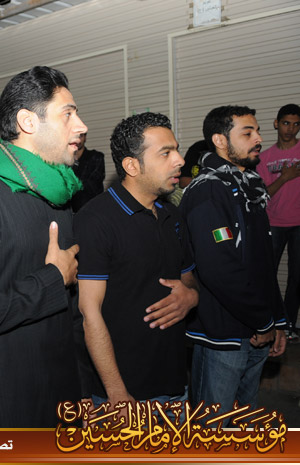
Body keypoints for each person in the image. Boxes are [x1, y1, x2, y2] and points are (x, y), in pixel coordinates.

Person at [0, 65, 85, 427]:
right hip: (4, 397)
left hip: (58, 387)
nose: (81, 126)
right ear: (28, 122)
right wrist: (52, 279)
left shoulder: (59, 193)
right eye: (68, 114)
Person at [74, 113, 198, 414]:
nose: (180, 160)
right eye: (166, 153)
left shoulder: (172, 214)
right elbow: (89, 313)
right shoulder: (96, 220)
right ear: (132, 165)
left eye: (176, 149)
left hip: (175, 384)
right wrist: (116, 392)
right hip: (123, 394)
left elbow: (188, 277)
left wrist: (191, 296)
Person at [179, 105, 287, 426]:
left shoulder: (249, 186)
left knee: (244, 421)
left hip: (256, 327)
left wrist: (277, 320)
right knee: (212, 428)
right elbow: (219, 269)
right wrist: (263, 321)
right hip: (224, 336)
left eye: (257, 131)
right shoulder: (209, 191)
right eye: (247, 133)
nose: (259, 139)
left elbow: (262, 264)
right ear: (220, 140)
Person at [256, 104, 300, 342]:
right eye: (286, 123)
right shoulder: (264, 158)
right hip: (273, 222)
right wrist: (284, 177)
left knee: (297, 277)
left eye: (296, 124)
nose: (290, 129)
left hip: (299, 224)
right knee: (266, 275)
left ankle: (289, 325)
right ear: (276, 123)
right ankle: (271, 323)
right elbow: (263, 195)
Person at [70, 132, 105, 212]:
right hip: (71, 211)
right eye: (75, 136)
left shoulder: (96, 157)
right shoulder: (65, 161)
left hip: (92, 210)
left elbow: (93, 185)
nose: (78, 139)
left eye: (80, 136)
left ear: (85, 138)